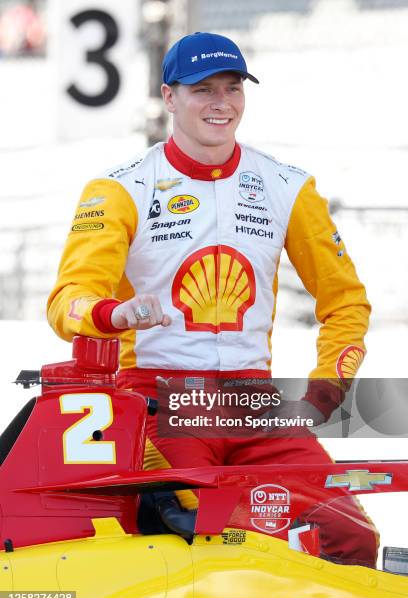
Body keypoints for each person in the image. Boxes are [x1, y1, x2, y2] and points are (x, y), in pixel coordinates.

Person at [47, 32, 377, 567]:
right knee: (219, 540)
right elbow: (67, 301)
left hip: (255, 405)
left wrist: (324, 391)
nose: (221, 102)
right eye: (202, 89)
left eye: (233, 87)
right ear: (169, 96)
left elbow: (347, 304)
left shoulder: (287, 186)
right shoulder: (119, 189)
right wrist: (113, 313)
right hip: (158, 403)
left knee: (350, 537)